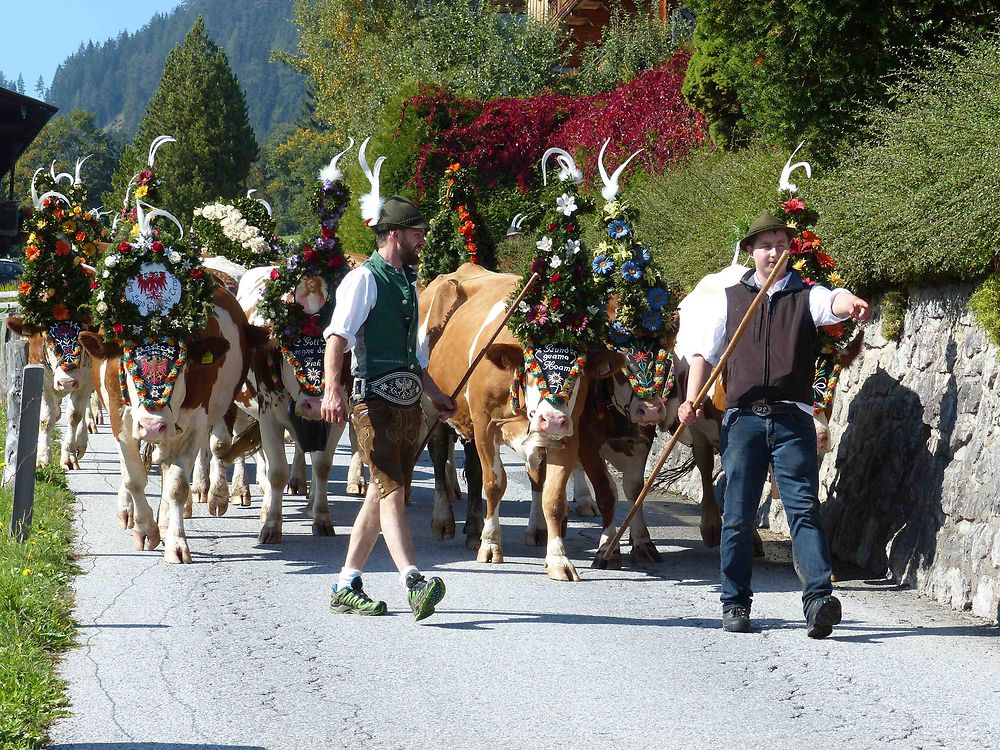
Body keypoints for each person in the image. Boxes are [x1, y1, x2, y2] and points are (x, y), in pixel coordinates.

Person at [678, 210, 872, 638]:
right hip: (743, 420)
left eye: (782, 244)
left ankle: (819, 600)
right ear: (750, 251)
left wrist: (851, 303)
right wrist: (691, 399)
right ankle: (735, 602)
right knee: (739, 515)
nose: (774, 251)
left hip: (792, 419)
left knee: (803, 509)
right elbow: (702, 355)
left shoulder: (806, 294)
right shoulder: (727, 299)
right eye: (765, 244)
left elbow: (833, 301)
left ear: (790, 251)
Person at [320, 195, 455, 621]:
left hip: (407, 400)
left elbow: (412, 357)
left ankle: (345, 583)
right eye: (417, 232)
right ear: (394, 233)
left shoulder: (405, 281)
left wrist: (435, 394)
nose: (423, 239)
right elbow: (337, 338)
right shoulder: (364, 280)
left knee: (380, 493)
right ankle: (413, 581)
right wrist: (331, 390)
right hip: (372, 401)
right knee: (393, 490)